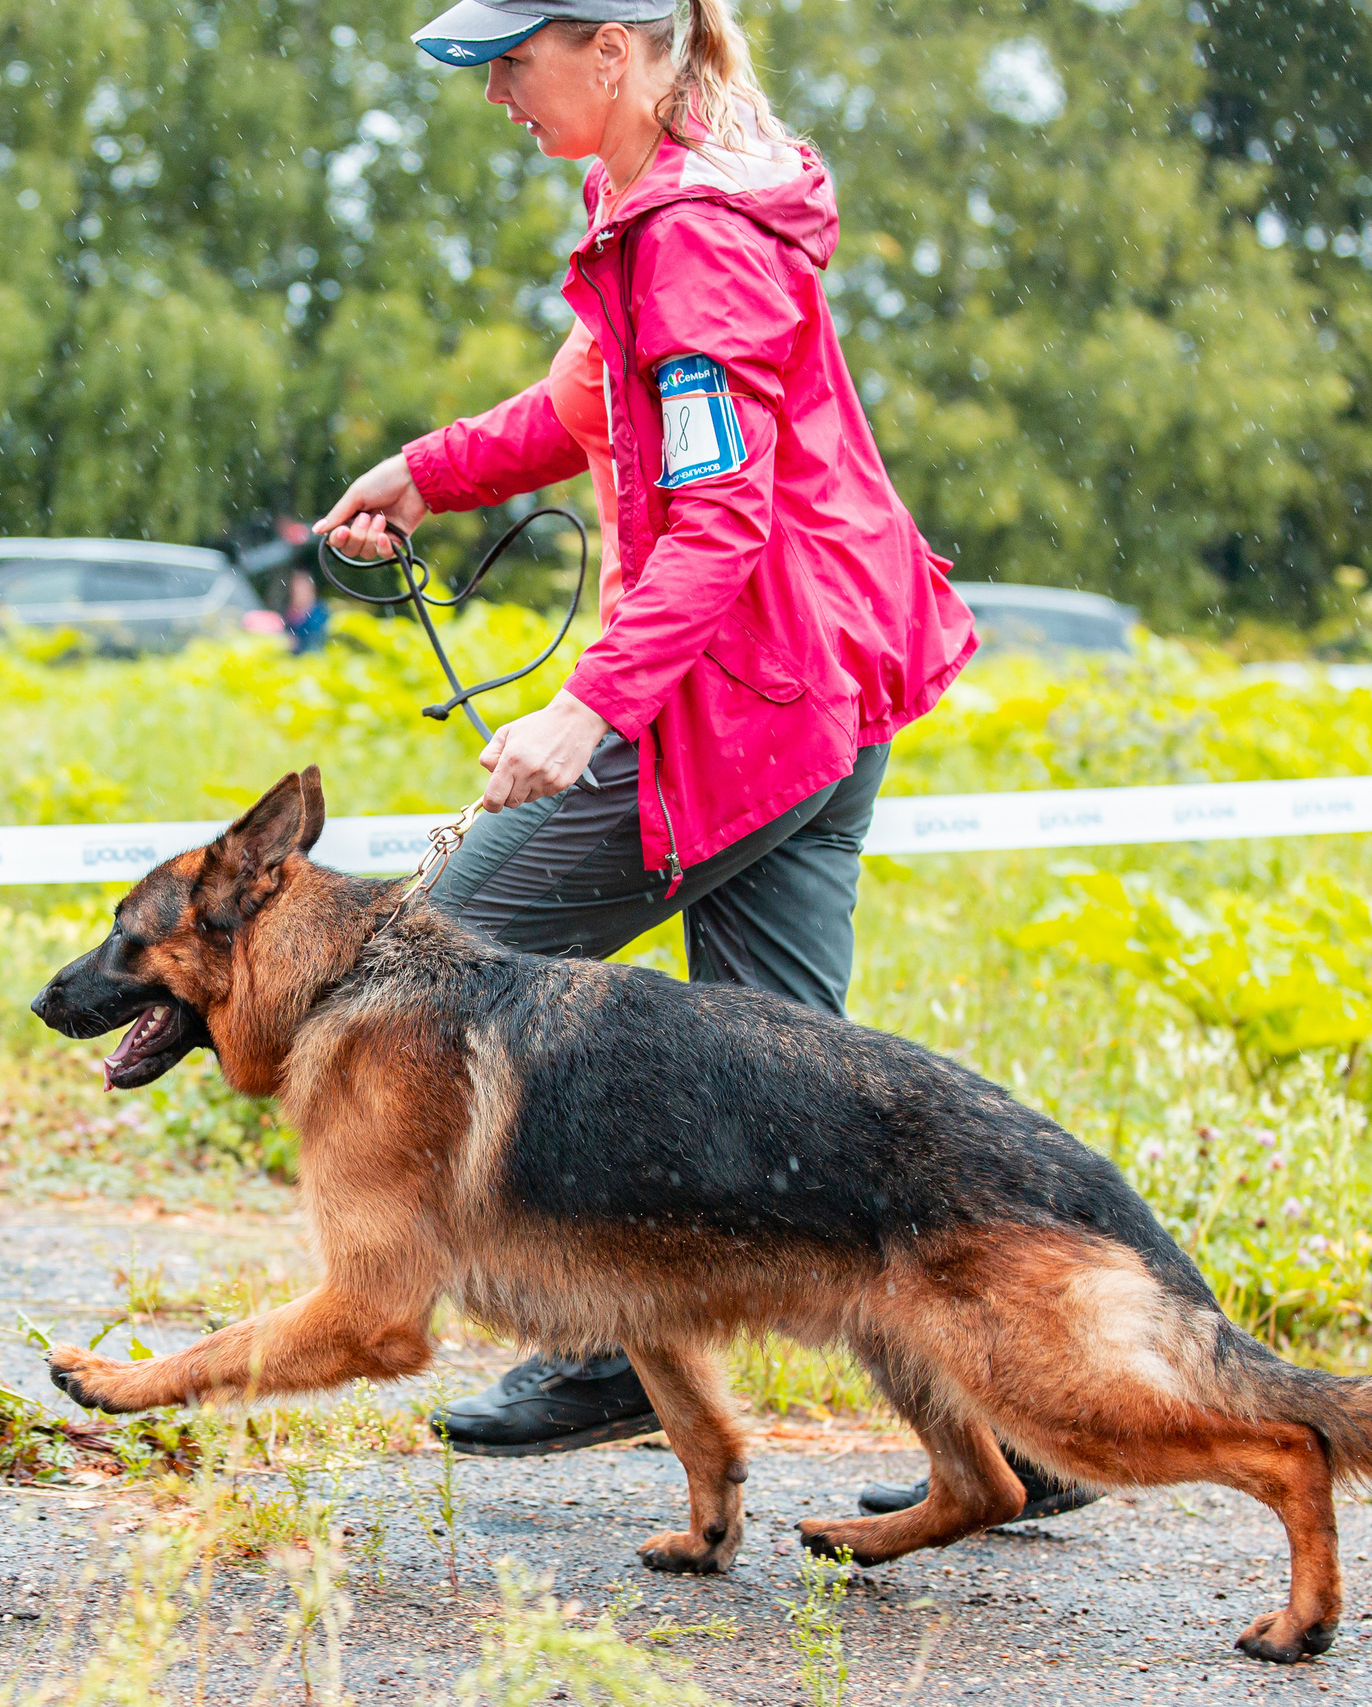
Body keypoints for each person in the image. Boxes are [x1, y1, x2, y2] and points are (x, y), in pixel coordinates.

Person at [314, 0, 1094, 1525]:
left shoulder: (697, 237)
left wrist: (589, 708)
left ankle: (610, 1332)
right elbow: (585, 408)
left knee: (425, 967)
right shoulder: (662, 198)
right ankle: (1038, 1406)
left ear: (611, 47)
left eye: (511, 62)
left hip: (741, 703)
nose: (493, 95)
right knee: (810, 1105)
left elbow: (722, 521)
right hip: (822, 690)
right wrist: (428, 469)